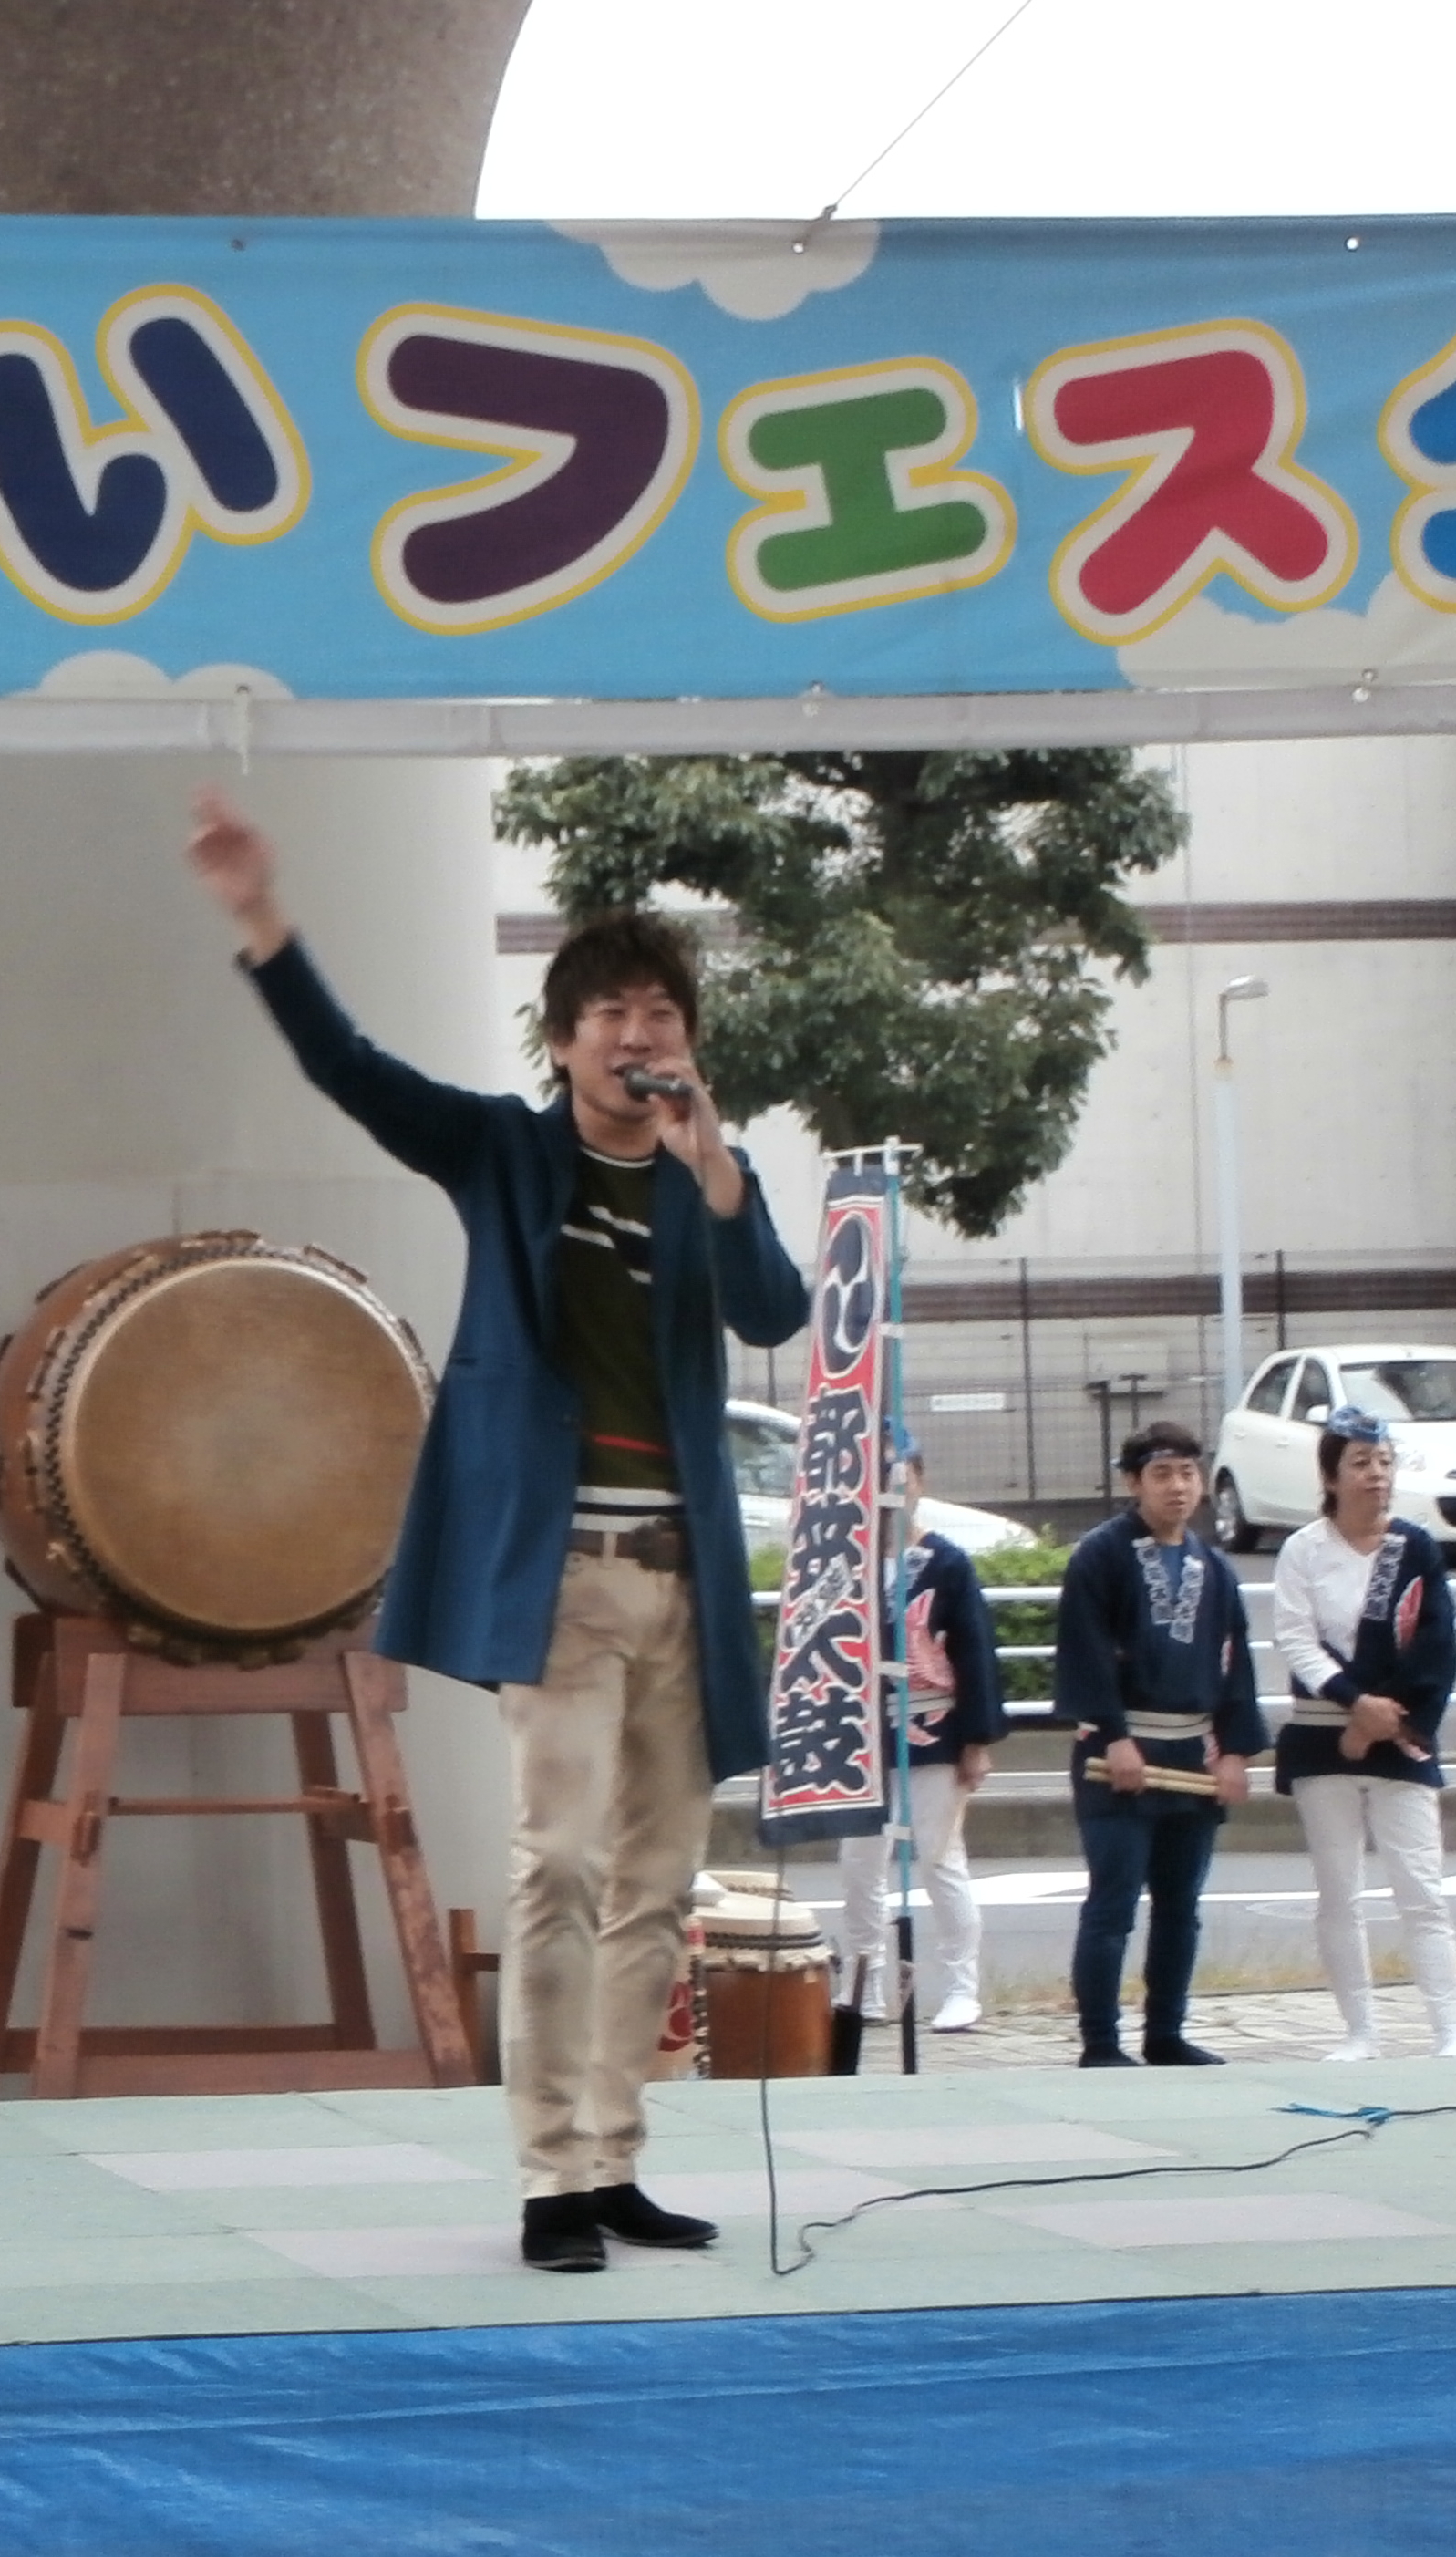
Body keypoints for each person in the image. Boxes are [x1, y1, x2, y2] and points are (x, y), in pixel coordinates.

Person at [186, 790, 811, 2271]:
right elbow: (350, 1070)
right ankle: (544, 2178)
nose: (637, 1034)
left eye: (660, 1012)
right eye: (610, 1013)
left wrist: (718, 1176)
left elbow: (777, 1309)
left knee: (660, 1883)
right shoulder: (500, 1154)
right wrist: (262, 918)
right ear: (561, 1042)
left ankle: (611, 2158)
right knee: (562, 1868)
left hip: (682, 1578)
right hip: (560, 1579)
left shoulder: (703, 1181)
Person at [1053, 1419, 1266, 2067]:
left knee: (1181, 1904)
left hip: (1190, 1755)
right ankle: (1099, 2039)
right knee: (1113, 1901)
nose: (1177, 1487)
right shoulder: (1099, 1555)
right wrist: (1113, 1735)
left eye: (1187, 1473)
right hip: (1116, 1752)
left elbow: (1235, 1665)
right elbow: (1084, 1653)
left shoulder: (1215, 1567)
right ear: (1132, 1481)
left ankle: (1165, 2031)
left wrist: (1233, 1749)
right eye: (1161, 1474)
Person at [1269, 1406, 1456, 2061]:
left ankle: (1449, 2032)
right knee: (1337, 1889)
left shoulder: (1412, 1547)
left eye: (1383, 1461)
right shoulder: (1303, 1549)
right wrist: (1351, 1703)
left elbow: (1436, 1644)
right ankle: (1360, 2030)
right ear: (1330, 1475)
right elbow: (1295, 1636)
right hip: (1322, 1730)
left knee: (1421, 1888)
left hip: (1398, 1733)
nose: (1375, 1475)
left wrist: (1388, 1718)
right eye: (1359, 1462)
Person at [835, 1433, 1008, 2035]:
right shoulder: (844, 1562)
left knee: (939, 1860)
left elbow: (974, 1653)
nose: (889, 1484)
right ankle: (862, 1983)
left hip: (934, 1724)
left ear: (918, 1479)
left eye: (899, 1472)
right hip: (862, 1734)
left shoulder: (946, 1562)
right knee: (860, 1862)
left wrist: (976, 1738)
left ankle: (961, 1986)